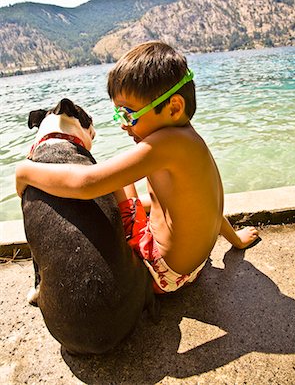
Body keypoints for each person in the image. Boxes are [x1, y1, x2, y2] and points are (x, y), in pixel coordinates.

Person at [16, 41, 259, 294]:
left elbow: (87, 182)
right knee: (122, 181)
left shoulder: (165, 145)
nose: (123, 125)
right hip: (193, 267)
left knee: (112, 182)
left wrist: (26, 171)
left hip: (161, 274)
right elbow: (207, 206)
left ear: (174, 107)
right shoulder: (191, 141)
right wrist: (236, 240)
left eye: (128, 115)